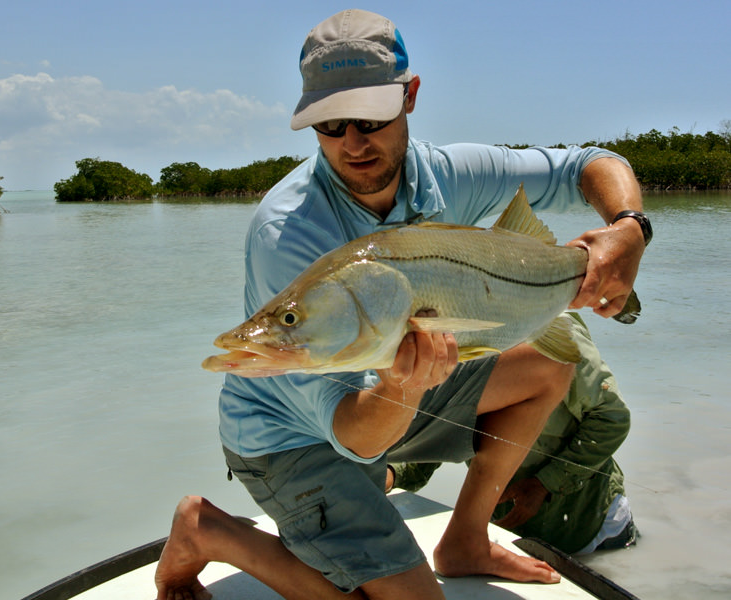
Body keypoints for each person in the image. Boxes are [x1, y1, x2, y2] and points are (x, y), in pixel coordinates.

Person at [156, 9, 649, 600]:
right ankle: (206, 530)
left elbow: (588, 163)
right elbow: (355, 435)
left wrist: (628, 230)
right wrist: (405, 387)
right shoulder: (286, 234)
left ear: (409, 96)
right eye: (329, 125)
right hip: (291, 435)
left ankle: (465, 539)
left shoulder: (449, 173)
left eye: (370, 116)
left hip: (387, 383)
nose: (353, 142)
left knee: (554, 361)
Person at [387, 313, 639, 555]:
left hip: (595, 530)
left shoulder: (553, 332)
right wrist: (390, 473)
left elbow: (612, 418)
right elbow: (441, 426)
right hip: (510, 532)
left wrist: (545, 484)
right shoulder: (454, 339)